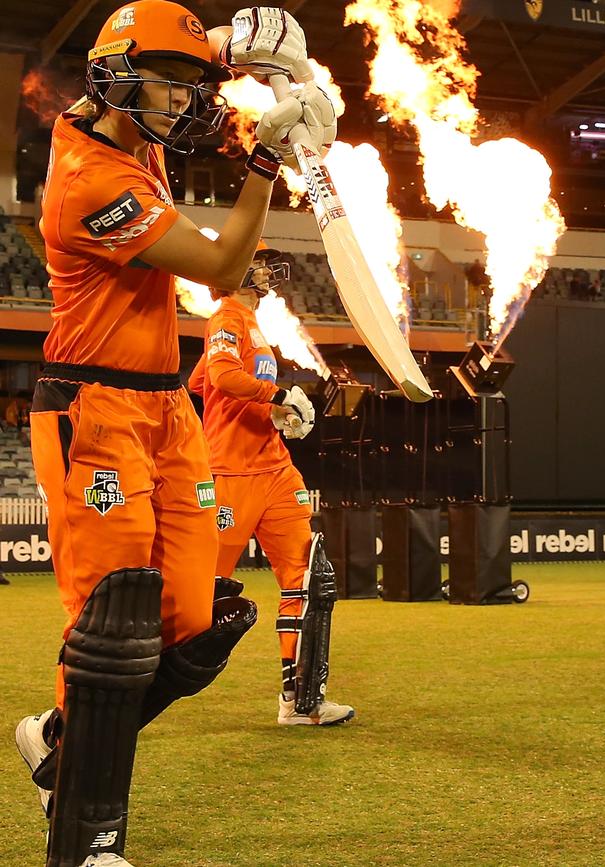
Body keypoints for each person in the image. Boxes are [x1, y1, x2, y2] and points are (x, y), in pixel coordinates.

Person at [13, 3, 336, 866]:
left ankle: (57, 737)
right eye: (173, 85)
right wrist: (269, 156)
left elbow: (179, 77)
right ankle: (84, 835)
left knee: (195, 623)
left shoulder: (130, 126)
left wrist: (239, 48)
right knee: (111, 622)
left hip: (165, 410)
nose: (187, 103)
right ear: (119, 83)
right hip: (96, 409)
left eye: (190, 84)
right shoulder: (90, 180)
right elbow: (227, 263)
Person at [188, 244, 354, 727]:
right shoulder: (227, 316)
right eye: (258, 260)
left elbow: (202, 382)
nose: (266, 269)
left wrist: (271, 412)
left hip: (276, 471)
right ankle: (129, 687)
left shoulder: (249, 324)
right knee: (201, 593)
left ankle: (300, 703)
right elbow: (220, 374)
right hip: (230, 475)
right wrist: (276, 394)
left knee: (306, 581)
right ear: (238, 270)